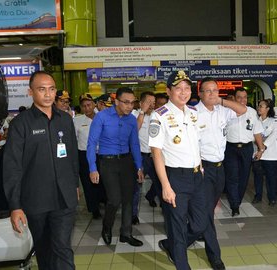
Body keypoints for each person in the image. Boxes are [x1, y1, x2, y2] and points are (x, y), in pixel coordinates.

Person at [3, 71, 79, 270]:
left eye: (52, 89)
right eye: (42, 89)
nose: (48, 94)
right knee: (44, 251)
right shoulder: (21, 124)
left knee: (63, 248)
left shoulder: (65, 119)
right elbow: (12, 166)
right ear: (31, 92)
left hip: (64, 198)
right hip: (36, 199)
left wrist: (75, 185)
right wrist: (15, 205)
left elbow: (72, 156)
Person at [149, 70, 208, 270]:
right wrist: (165, 185)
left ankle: (171, 245)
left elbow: (196, 144)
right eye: (178, 89)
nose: (183, 93)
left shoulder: (193, 114)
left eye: (187, 88)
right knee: (178, 227)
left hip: (196, 176)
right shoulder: (159, 116)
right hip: (175, 177)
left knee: (200, 224)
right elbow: (156, 152)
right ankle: (182, 263)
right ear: (168, 91)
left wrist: (200, 167)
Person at [195, 77, 246, 270]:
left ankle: (177, 240)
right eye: (207, 91)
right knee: (208, 213)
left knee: (206, 212)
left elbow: (242, 110)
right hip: (203, 168)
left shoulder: (223, 110)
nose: (212, 94)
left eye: (215, 90)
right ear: (200, 93)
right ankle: (214, 255)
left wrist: (222, 101)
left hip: (219, 167)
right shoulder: (193, 113)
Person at [87, 87, 144, 247]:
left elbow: (134, 143)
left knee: (128, 199)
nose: (130, 106)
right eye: (126, 102)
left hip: (126, 162)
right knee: (114, 199)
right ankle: (107, 227)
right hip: (107, 162)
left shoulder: (132, 120)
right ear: (116, 101)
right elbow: (92, 143)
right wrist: (92, 168)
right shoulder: (102, 117)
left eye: (132, 103)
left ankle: (126, 233)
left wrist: (139, 166)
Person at [223, 88, 265, 217]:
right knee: (232, 177)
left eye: (245, 97)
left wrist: (261, 148)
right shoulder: (226, 112)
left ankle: (237, 201)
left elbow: (256, 132)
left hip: (246, 148)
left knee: (244, 177)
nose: (242, 100)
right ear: (234, 98)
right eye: (239, 97)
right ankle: (234, 205)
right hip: (230, 148)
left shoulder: (252, 112)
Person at [73, 93, 106, 219]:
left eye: (89, 105)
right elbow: (75, 140)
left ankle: (103, 200)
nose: (87, 108)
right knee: (88, 183)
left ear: (94, 104)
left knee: (103, 181)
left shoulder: (102, 117)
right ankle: (94, 208)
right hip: (85, 156)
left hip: (102, 154)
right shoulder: (77, 121)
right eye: (84, 106)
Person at [131, 91, 158, 226]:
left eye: (153, 102)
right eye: (149, 102)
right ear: (141, 103)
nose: (152, 105)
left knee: (159, 181)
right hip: (139, 156)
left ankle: (151, 196)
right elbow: (135, 129)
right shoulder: (134, 115)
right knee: (137, 186)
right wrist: (142, 112)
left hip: (154, 156)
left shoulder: (157, 116)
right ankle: (133, 214)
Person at [252, 99, 277, 206]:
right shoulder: (254, 120)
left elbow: (274, 135)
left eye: (261, 106)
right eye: (258, 106)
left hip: (270, 154)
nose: (259, 108)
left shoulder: (274, 121)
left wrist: (263, 147)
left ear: (268, 109)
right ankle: (258, 196)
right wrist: (258, 147)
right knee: (257, 176)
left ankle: (272, 197)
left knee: (271, 177)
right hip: (257, 153)